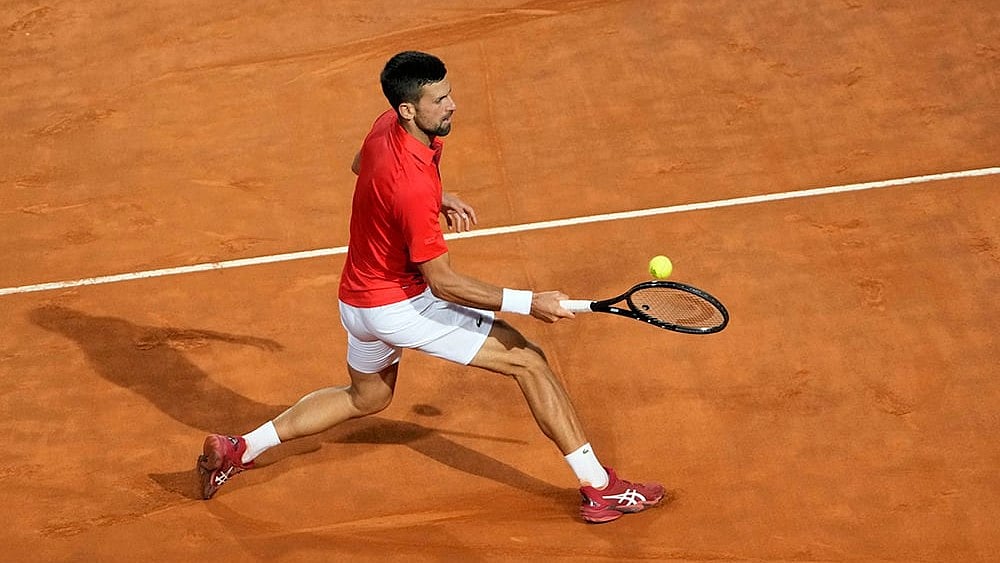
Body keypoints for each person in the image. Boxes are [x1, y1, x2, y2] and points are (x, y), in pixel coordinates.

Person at [197, 50, 663, 524]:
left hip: (356, 302)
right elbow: (442, 283)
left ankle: (240, 448)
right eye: (439, 99)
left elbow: (364, 166)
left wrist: (434, 196)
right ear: (409, 110)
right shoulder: (411, 185)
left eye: (449, 93)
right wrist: (530, 302)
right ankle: (600, 489)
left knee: (368, 398)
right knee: (527, 360)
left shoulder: (385, 128)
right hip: (399, 306)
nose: (452, 105)